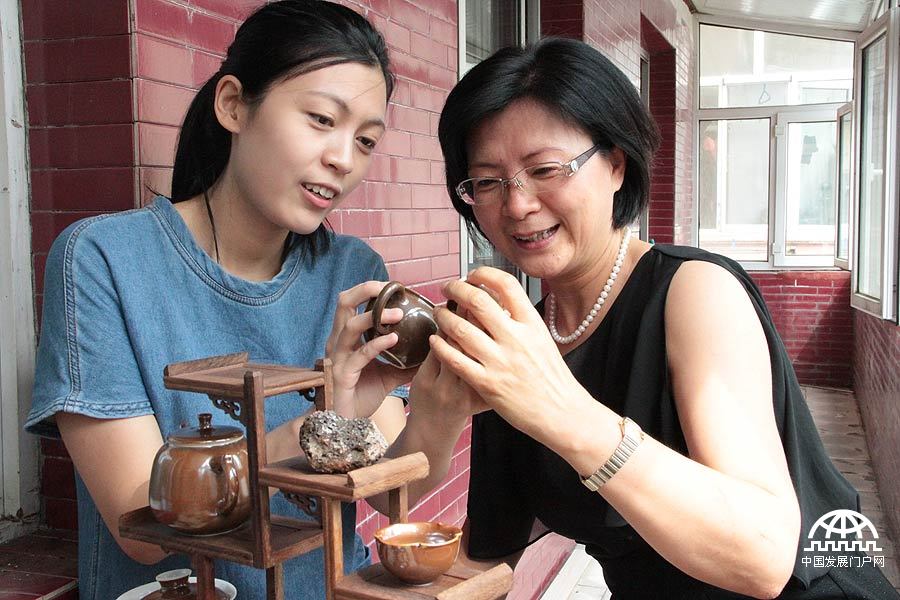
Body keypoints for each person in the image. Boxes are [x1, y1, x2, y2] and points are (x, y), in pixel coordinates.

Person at [376, 37, 900, 599]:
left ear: (616, 166)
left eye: (545, 169)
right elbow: (487, 550)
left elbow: (764, 555)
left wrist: (564, 412)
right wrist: (412, 408)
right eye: (487, 181)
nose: (517, 204)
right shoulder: (518, 337)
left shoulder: (695, 292)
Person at [25, 2, 411, 598]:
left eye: (365, 141)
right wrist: (324, 422)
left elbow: (390, 492)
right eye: (319, 119)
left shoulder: (353, 273)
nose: (342, 158)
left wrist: (449, 398)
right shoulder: (103, 260)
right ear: (233, 104)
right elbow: (144, 529)